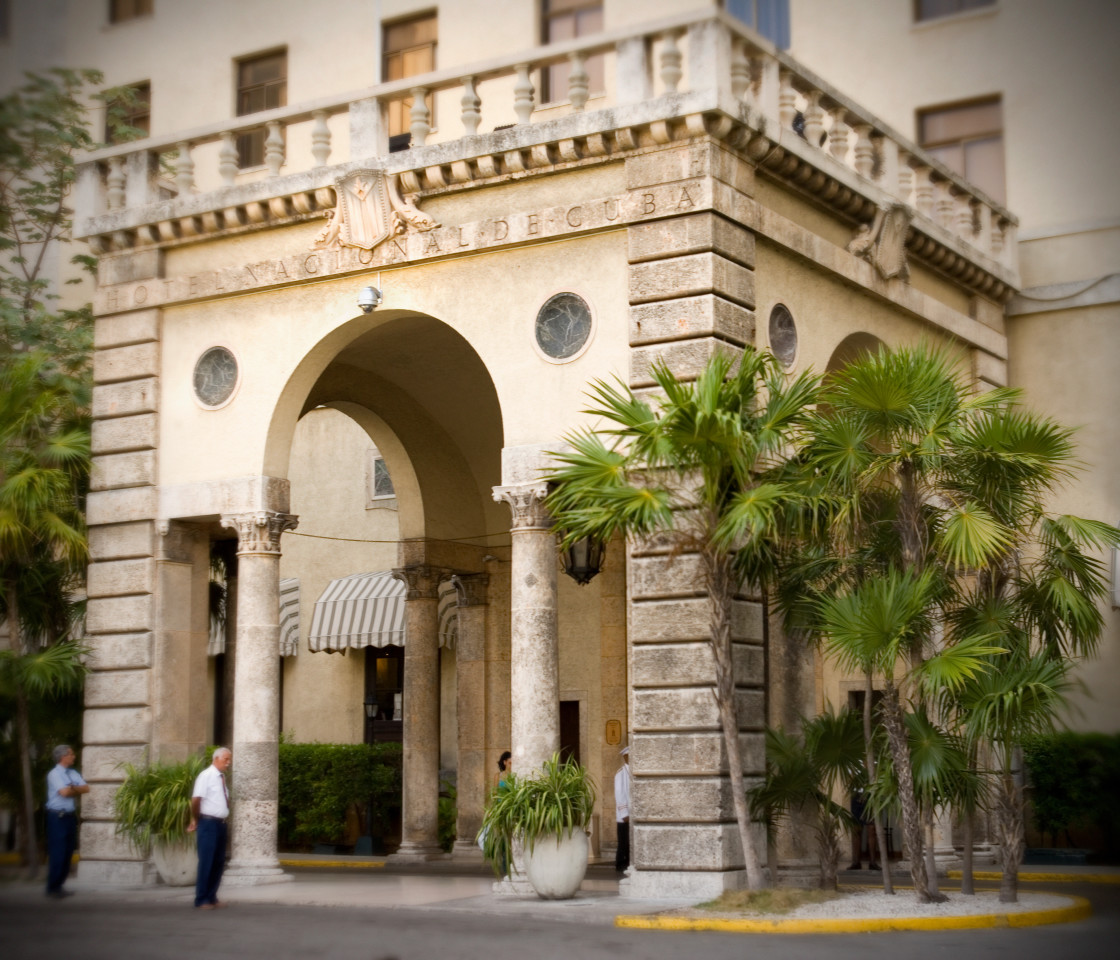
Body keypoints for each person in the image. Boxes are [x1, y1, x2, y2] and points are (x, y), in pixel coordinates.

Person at [187, 747, 232, 909]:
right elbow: (196, 799)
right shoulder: (206, 776)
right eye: (226, 759)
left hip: (220, 823)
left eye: (229, 760)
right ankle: (201, 899)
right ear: (217, 758)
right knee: (207, 860)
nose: (228, 763)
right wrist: (195, 818)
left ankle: (212, 896)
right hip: (208, 823)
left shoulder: (221, 778)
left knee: (218, 861)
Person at [45, 744, 89, 898]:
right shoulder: (54, 774)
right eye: (71, 754)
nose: (73, 756)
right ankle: (53, 887)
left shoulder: (72, 773)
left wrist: (73, 788)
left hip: (69, 817)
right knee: (58, 852)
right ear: (63, 756)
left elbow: (86, 788)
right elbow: (64, 792)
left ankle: (60, 885)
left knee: (68, 851)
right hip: (57, 817)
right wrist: (74, 788)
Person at [848, 787, 880, 870]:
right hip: (855, 794)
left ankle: (873, 862)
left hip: (870, 794)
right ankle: (856, 862)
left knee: (872, 829)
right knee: (856, 829)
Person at [614, 745, 631, 873]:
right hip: (624, 815)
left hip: (632, 813)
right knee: (623, 841)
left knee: (629, 841)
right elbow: (619, 794)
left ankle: (627, 862)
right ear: (625, 757)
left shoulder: (632, 771)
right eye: (629, 756)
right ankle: (620, 864)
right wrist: (625, 813)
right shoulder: (620, 773)